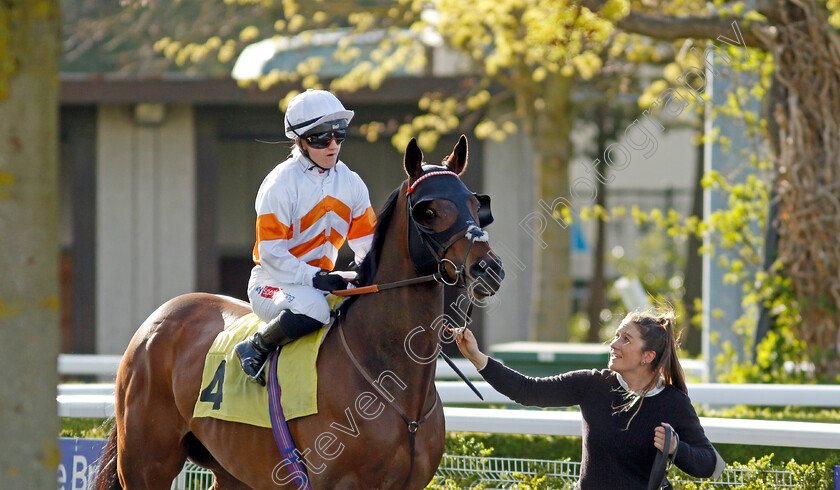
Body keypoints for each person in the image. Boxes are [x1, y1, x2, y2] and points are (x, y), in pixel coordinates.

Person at [454, 308, 725, 489]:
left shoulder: (673, 402)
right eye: (616, 335)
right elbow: (528, 390)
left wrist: (676, 447)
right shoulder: (592, 384)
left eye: (626, 339)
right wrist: (477, 357)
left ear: (648, 356)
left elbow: (708, 464)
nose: (614, 344)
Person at [234, 89, 376, 385]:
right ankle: (256, 346)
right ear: (299, 141)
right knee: (313, 307)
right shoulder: (280, 184)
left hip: (317, 280)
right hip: (271, 285)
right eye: (322, 138)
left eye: (339, 135)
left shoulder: (352, 183)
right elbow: (272, 254)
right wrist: (317, 278)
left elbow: (367, 245)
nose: (333, 145)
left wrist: (369, 276)